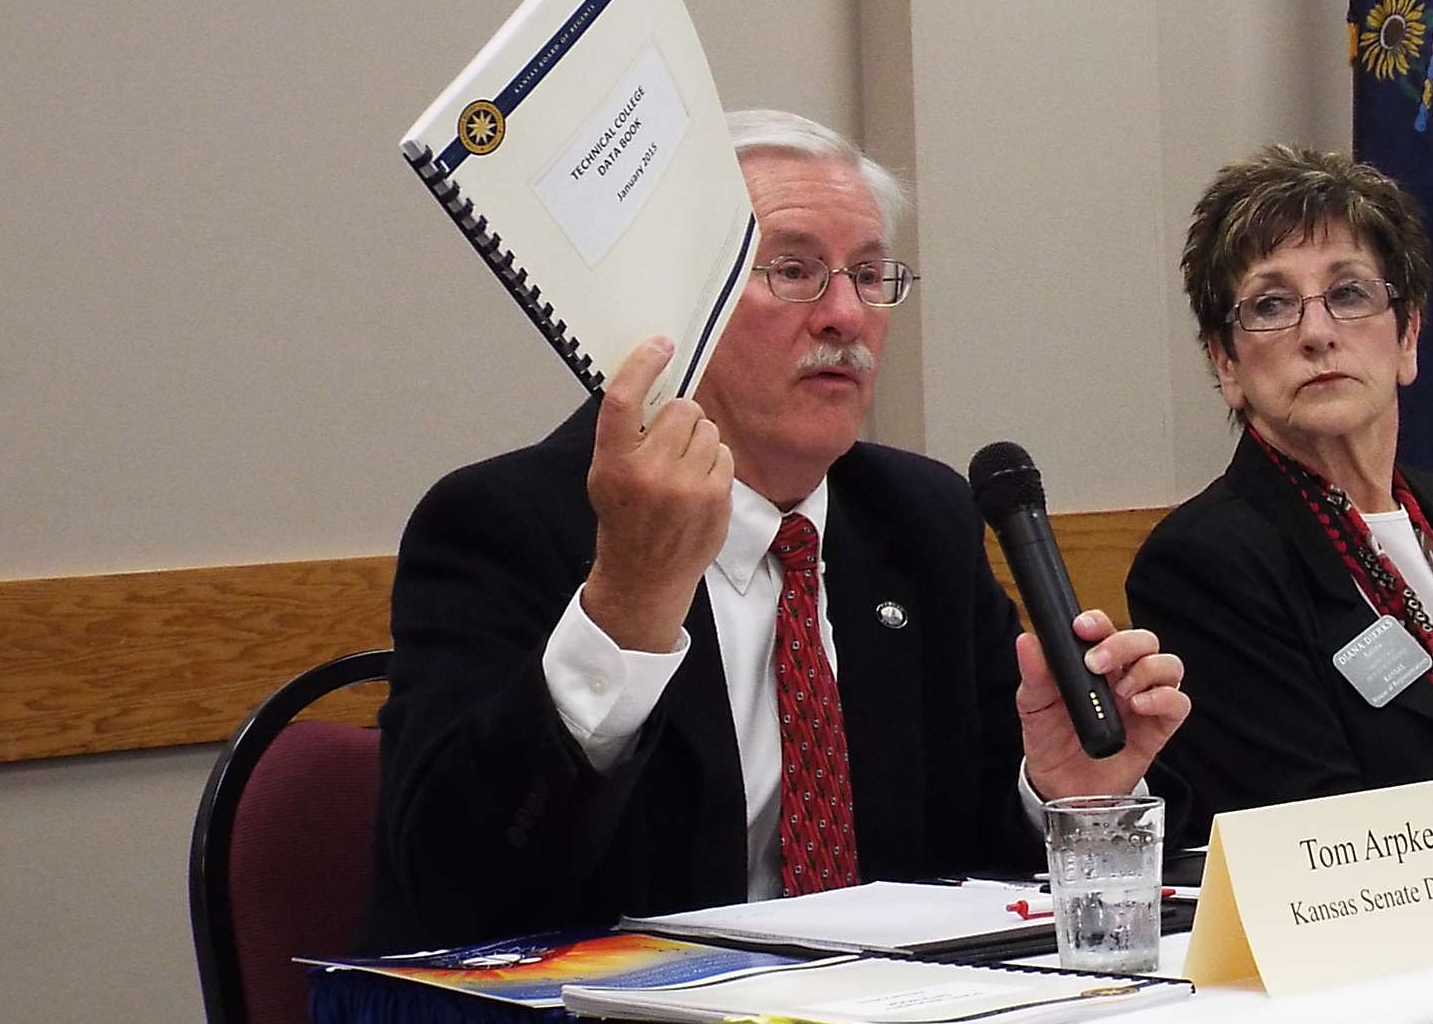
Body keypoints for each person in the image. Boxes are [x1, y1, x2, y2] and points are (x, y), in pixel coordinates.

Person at [369, 110, 1188, 951]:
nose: (845, 315)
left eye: (868, 276)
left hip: (892, 1008)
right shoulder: (512, 521)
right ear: (675, 307)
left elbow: (967, 863)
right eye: (794, 271)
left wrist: (1056, 792)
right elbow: (449, 893)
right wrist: (627, 604)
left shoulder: (920, 519)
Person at [1125, 145, 1433, 838]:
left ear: (1408, 337)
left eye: (1348, 294)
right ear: (1227, 364)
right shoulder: (1206, 560)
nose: (1317, 334)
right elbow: (1314, 835)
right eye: (1271, 304)